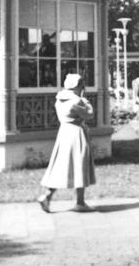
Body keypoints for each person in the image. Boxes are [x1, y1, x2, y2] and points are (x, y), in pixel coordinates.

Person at [37, 74, 96, 213]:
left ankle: (47, 196)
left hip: (64, 133)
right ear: (78, 86)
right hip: (76, 133)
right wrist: (84, 99)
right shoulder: (77, 101)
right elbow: (89, 114)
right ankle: (80, 202)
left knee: (61, 166)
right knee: (79, 165)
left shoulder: (60, 99)